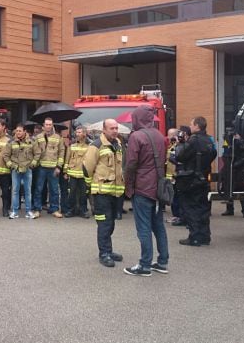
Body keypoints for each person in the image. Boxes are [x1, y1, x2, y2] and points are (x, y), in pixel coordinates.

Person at [122, 105, 169, 277]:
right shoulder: (159, 135)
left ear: (137, 118)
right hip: (157, 187)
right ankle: (162, 262)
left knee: (143, 227)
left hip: (142, 187)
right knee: (158, 226)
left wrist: (128, 186)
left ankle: (144, 265)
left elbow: (131, 164)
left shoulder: (136, 136)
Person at [83, 119, 125, 268]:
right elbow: (87, 167)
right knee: (104, 224)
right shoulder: (96, 146)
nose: (115, 130)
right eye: (111, 128)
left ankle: (109, 250)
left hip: (115, 193)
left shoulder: (118, 144)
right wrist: (89, 186)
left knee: (111, 223)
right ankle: (104, 254)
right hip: (101, 193)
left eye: (116, 128)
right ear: (104, 130)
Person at [176, 116, 217, 247]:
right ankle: (205, 236)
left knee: (191, 208)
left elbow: (180, 156)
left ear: (197, 126)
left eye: (191, 124)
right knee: (203, 208)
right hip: (204, 178)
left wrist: (181, 144)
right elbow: (213, 155)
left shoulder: (193, 140)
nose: (190, 126)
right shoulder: (209, 140)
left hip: (191, 179)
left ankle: (194, 237)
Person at [32, 117, 65, 218]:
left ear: (52, 125)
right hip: (41, 167)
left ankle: (54, 209)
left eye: (50, 124)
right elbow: (34, 151)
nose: (48, 126)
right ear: (43, 125)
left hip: (53, 168)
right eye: (46, 124)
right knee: (38, 189)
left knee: (54, 189)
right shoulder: (38, 137)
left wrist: (59, 167)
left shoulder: (58, 137)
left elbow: (61, 152)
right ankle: (37, 209)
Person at [4, 123, 35, 219]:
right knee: (15, 191)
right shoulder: (11, 142)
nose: (18, 133)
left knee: (28, 191)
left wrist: (32, 164)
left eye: (20, 131)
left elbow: (37, 153)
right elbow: (6, 156)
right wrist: (11, 166)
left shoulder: (31, 142)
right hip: (16, 170)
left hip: (27, 169)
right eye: (17, 131)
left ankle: (28, 211)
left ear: (24, 132)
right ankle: (14, 211)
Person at [63, 125, 89, 218]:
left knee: (83, 194)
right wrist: (65, 172)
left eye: (79, 132)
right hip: (72, 174)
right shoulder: (72, 146)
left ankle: (83, 211)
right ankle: (71, 210)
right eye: (76, 132)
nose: (77, 134)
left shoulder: (89, 147)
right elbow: (67, 159)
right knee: (71, 193)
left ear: (84, 134)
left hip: (83, 175)